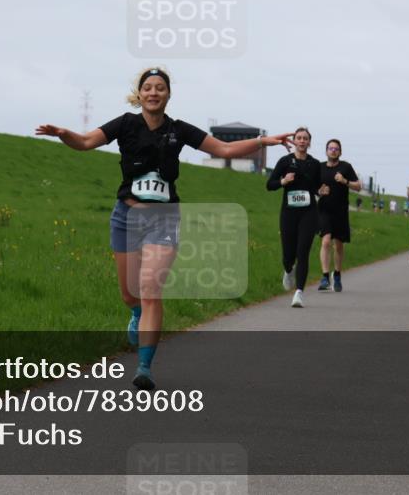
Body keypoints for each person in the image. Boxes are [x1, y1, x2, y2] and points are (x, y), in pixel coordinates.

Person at [37, 67, 292, 390]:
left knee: (150, 290)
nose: (154, 92)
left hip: (164, 218)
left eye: (160, 88)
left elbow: (223, 150)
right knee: (130, 294)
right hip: (126, 216)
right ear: (139, 94)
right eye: (148, 88)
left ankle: (144, 367)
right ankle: (134, 313)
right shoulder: (126, 124)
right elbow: (87, 142)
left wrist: (262, 141)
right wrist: (63, 134)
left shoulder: (179, 130)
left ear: (168, 94)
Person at [267, 128, 322, 308]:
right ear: (294, 141)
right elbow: (270, 185)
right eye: (298, 138)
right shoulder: (285, 161)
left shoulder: (315, 164)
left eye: (305, 138)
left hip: (308, 212)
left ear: (309, 142)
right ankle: (288, 270)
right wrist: (283, 181)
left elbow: (318, 187)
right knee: (288, 254)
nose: (301, 141)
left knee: (303, 252)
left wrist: (321, 191)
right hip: (289, 212)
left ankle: (299, 292)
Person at [316, 139, 361, 292]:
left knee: (339, 245)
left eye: (336, 148)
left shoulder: (346, 167)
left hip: (340, 211)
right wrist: (319, 191)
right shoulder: (319, 167)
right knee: (326, 242)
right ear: (326, 151)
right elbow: (313, 187)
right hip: (323, 210)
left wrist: (345, 181)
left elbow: (358, 186)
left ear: (340, 152)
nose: (333, 150)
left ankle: (337, 274)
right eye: (330, 148)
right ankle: (324, 276)